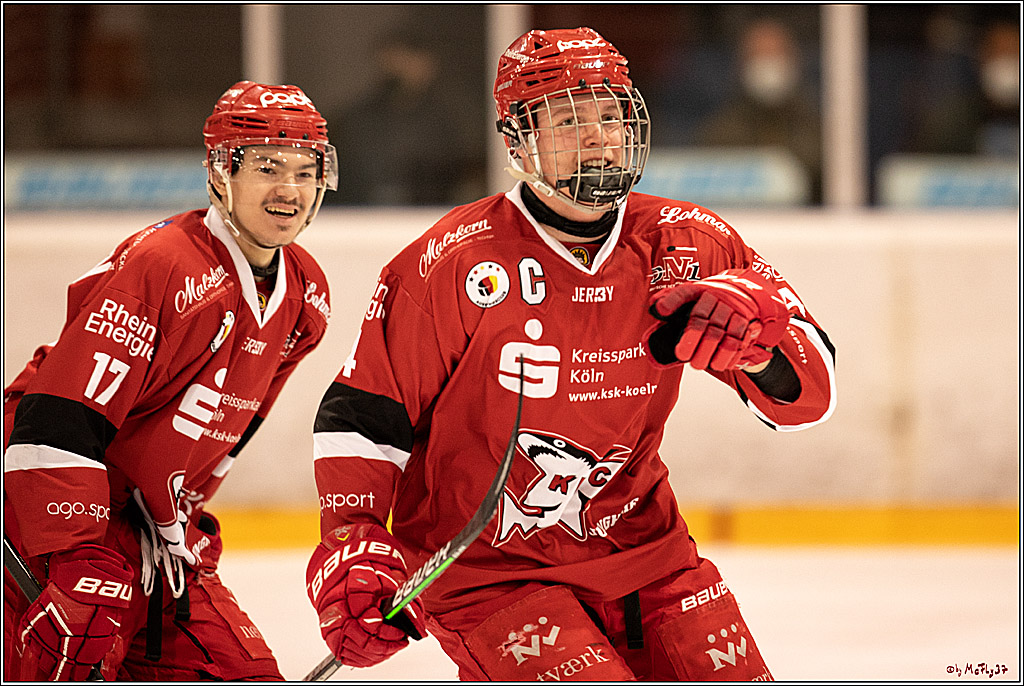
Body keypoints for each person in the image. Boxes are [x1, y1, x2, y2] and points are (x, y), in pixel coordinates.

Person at [305, 27, 836, 681]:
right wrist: (353, 539)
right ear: (515, 141)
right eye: (568, 117)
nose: (598, 134)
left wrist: (760, 353)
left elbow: (810, 399)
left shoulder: (691, 243)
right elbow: (364, 412)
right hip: (486, 574)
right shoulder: (450, 262)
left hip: (649, 555)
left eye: (610, 113)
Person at [3, 80, 337, 681]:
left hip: (141, 535)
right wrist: (76, 554)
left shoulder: (307, 300)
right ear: (220, 172)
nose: (289, 190)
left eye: (305, 170)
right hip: (32, 519)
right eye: (267, 166)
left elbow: (222, 434)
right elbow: (57, 419)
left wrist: (177, 520)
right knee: (62, 659)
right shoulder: (166, 265)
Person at [695, 18, 822, 202]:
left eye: (776, 55)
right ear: (741, 65)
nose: (768, 65)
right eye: (758, 56)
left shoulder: (819, 130)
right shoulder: (720, 131)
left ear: (794, 62)